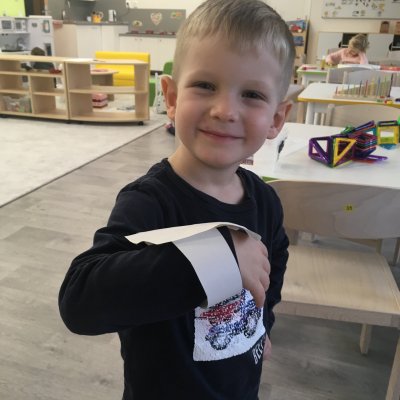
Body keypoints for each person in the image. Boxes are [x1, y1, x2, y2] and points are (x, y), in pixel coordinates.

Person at [58, 0, 294, 399]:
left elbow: (274, 267)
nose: (225, 110)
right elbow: (79, 303)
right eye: (205, 86)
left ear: (276, 119)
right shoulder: (150, 202)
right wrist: (217, 261)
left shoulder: (266, 201)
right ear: (170, 96)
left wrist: (262, 324)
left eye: (252, 94)